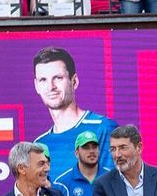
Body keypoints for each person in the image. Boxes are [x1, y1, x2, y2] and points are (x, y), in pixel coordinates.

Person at [32, 44, 117, 182]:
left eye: (58, 78)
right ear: (36, 86)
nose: (51, 87)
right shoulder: (39, 145)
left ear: (74, 81)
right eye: (43, 80)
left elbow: (114, 190)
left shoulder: (103, 128)